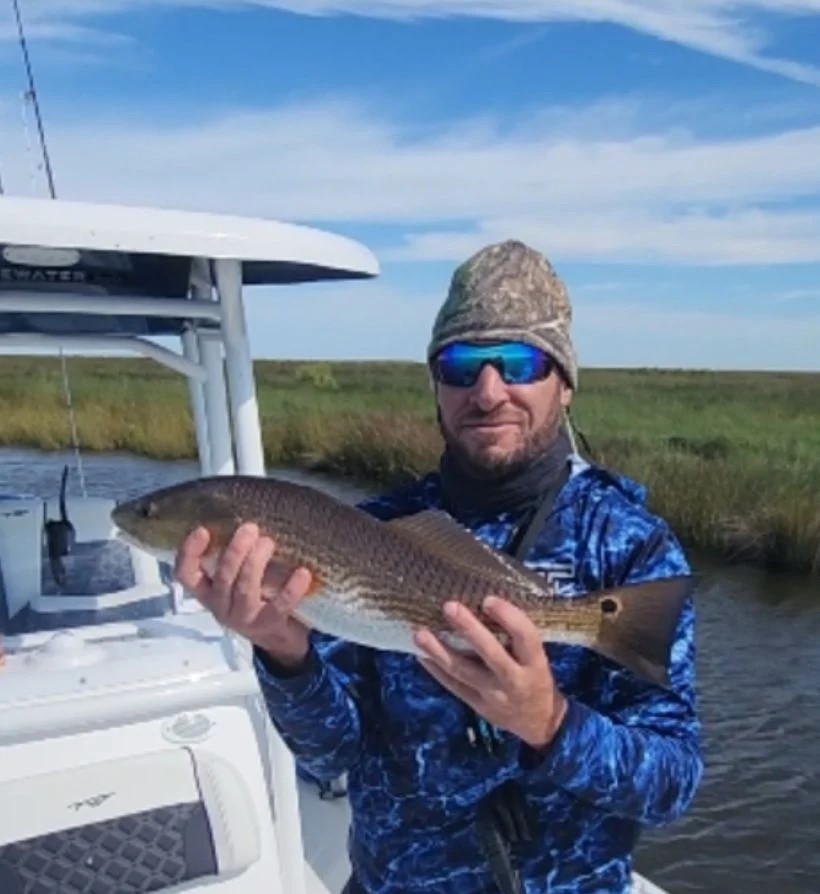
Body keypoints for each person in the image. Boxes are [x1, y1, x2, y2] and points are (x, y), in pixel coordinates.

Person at [174, 240, 703, 894]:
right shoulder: (366, 532)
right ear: (437, 385)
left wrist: (551, 724)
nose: (487, 390)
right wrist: (285, 654)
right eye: (460, 365)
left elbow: (673, 783)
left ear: (563, 383)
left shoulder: (628, 547)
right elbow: (328, 758)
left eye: (518, 362)